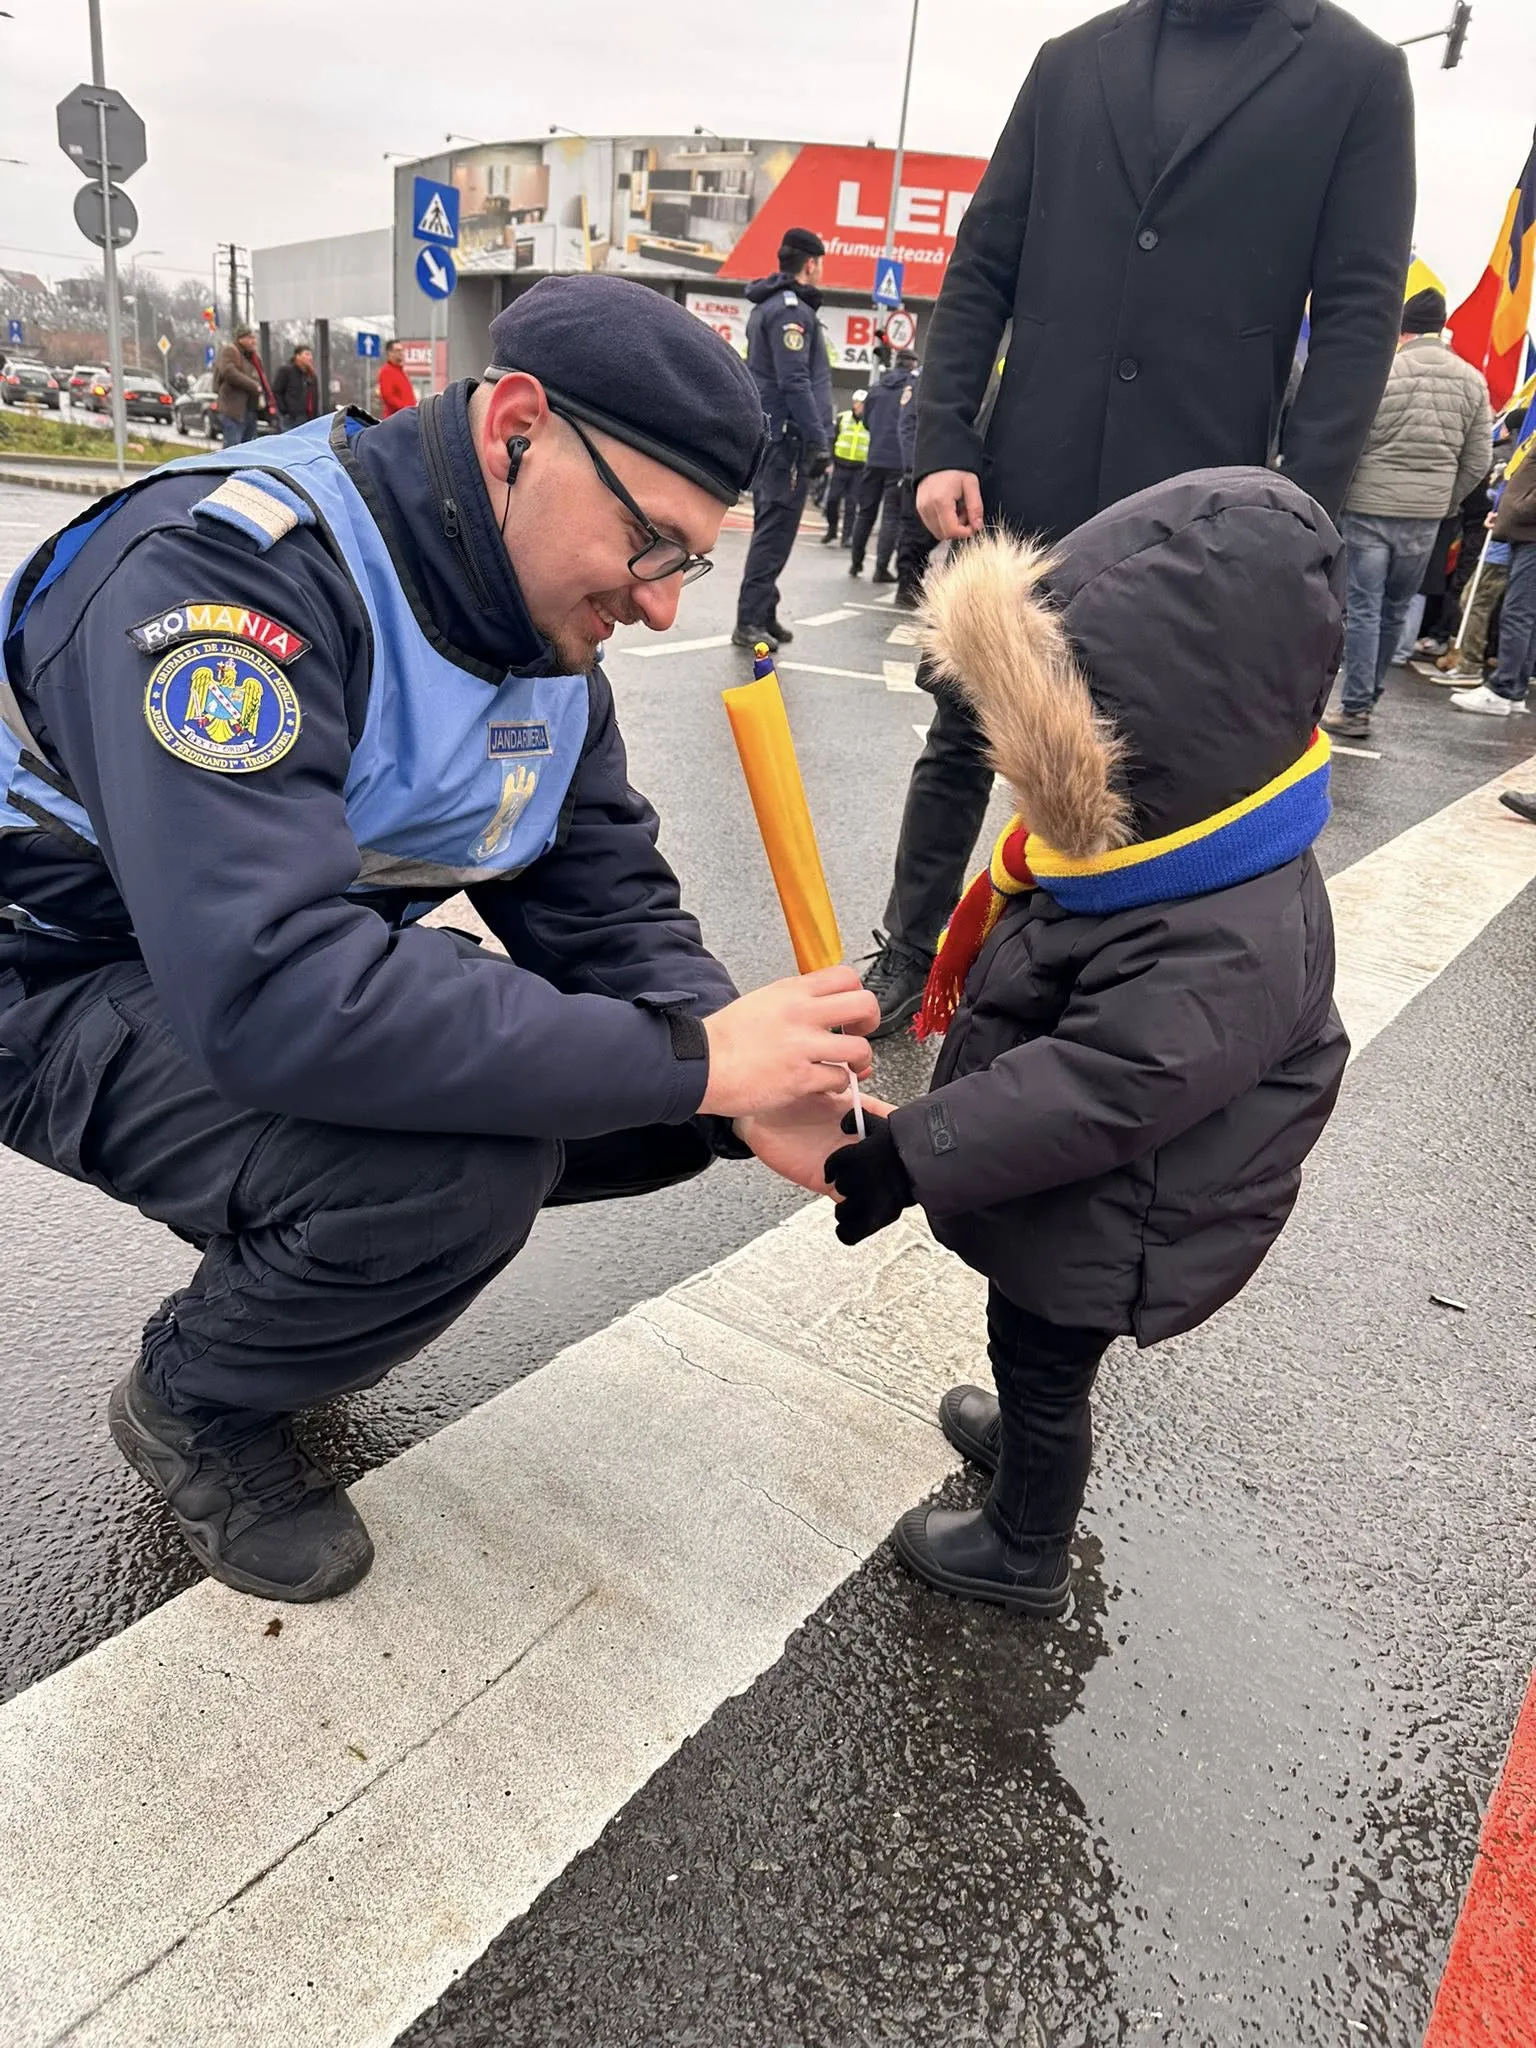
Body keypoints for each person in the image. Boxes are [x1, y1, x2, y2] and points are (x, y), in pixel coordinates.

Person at [0, 275, 877, 1605]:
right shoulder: (231, 580)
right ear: (516, 428)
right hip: (47, 967)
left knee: (662, 1105)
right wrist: (701, 1059)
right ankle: (197, 1397)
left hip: (227, 963)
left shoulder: (541, 638)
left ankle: (294, 1243)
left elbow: (606, 906)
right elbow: (275, 991)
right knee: (472, 1162)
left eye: (689, 563)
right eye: (650, 544)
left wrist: (751, 1082)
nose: (662, 608)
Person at [823, 471, 1347, 1616]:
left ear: (1141, 733)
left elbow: (1101, 1083)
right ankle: (1025, 1435)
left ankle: (1025, 1546)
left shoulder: (1226, 928)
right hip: (1094, 1192)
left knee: (1045, 1356)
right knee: (1029, 1348)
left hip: (1121, 1208)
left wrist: (917, 1147)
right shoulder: (1164, 850)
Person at [861, 0, 1416, 1036]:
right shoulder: (1072, 61)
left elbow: (1357, 312)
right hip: (1033, 460)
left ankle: (1102, 984)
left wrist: (1299, 508)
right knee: (966, 722)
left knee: (1159, 748)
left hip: (1202, 493)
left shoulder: (1357, 74)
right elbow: (982, 263)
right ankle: (911, 943)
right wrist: (945, 438)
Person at [1321, 287, 1491, 740]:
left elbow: (1353, 440)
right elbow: (1478, 458)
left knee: (1363, 608)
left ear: (1403, 329)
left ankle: (1356, 706)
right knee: (1395, 609)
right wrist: (1445, 500)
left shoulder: (1385, 371)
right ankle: (1368, 698)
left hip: (1369, 506)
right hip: (1425, 514)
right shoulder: (1472, 380)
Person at [732, 227, 834, 652]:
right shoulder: (792, 313)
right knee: (774, 532)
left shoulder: (769, 307)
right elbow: (795, 381)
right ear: (810, 264)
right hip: (788, 442)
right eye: (820, 264)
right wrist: (819, 438)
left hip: (778, 438)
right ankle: (749, 620)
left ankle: (765, 609)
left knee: (771, 525)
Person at [1449, 426, 1536, 718]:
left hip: (1530, 535)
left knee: (1518, 614)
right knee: (1525, 616)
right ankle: (1514, 689)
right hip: (1525, 532)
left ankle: (1503, 688)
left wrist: (1517, 510)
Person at [848, 349, 916, 582]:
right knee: (891, 517)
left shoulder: (876, 389)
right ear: (912, 365)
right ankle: (881, 569)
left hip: (874, 458)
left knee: (865, 512)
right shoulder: (911, 388)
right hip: (898, 462)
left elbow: (866, 422)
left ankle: (855, 563)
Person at [212, 326, 274, 448]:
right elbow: (229, 372)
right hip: (234, 410)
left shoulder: (253, 357)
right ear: (241, 338)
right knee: (233, 449)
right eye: (250, 338)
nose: (254, 341)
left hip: (250, 410)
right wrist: (254, 386)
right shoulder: (230, 351)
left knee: (247, 449)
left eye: (254, 338)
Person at [821, 390, 868, 545]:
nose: (859, 406)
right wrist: (829, 462)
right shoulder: (843, 418)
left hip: (859, 468)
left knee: (851, 503)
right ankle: (832, 529)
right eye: (857, 402)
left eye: (862, 403)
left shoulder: (870, 422)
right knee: (832, 500)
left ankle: (846, 536)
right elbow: (833, 440)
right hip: (840, 465)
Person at [272, 342, 320, 434]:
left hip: (308, 417)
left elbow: (315, 396)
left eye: (311, 355)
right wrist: (284, 411)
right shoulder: (286, 370)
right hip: (291, 417)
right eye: (307, 354)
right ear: (297, 356)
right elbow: (277, 391)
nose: (310, 358)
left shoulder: (311, 375)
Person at [377, 338, 417, 420]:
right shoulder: (386, 371)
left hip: (407, 417)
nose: (401, 353)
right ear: (390, 353)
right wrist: (405, 409)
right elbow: (388, 396)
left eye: (402, 350)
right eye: (398, 350)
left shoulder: (401, 371)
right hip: (397, 419)